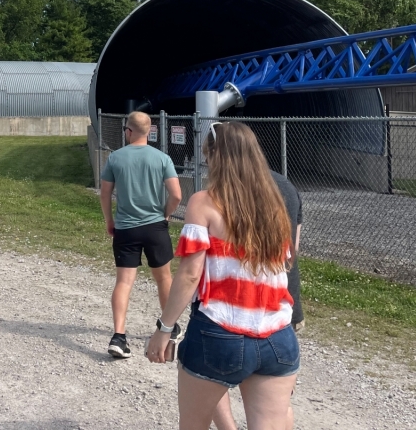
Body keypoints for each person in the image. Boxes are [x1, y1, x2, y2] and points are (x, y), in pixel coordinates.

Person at [146, 121, 299, 430]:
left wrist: (165, 328)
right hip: (278, 336)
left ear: (216, 156)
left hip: (220, 331)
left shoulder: (204, 201)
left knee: (193, 424)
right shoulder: (276, 203)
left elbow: (190, 274)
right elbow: (288, 260)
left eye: (207, 156)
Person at [208, 168, 304, 430]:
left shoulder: (225, 188)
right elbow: (293, 248)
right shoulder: (287, 186)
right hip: (283, 302)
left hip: (235, 306)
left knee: (209, 379)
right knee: (279, 402)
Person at [100, 111, 182, 358]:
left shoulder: (115, 157)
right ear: (149, 132)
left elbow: (105, 193)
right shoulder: (162, 158)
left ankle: (119, 336)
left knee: (124, 282)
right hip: (155, 227)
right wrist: (165, 214)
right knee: (164, 278)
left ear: (128, 131)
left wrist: (110, 220)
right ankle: (170, 327)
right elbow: (177, 195)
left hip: (125, 228)